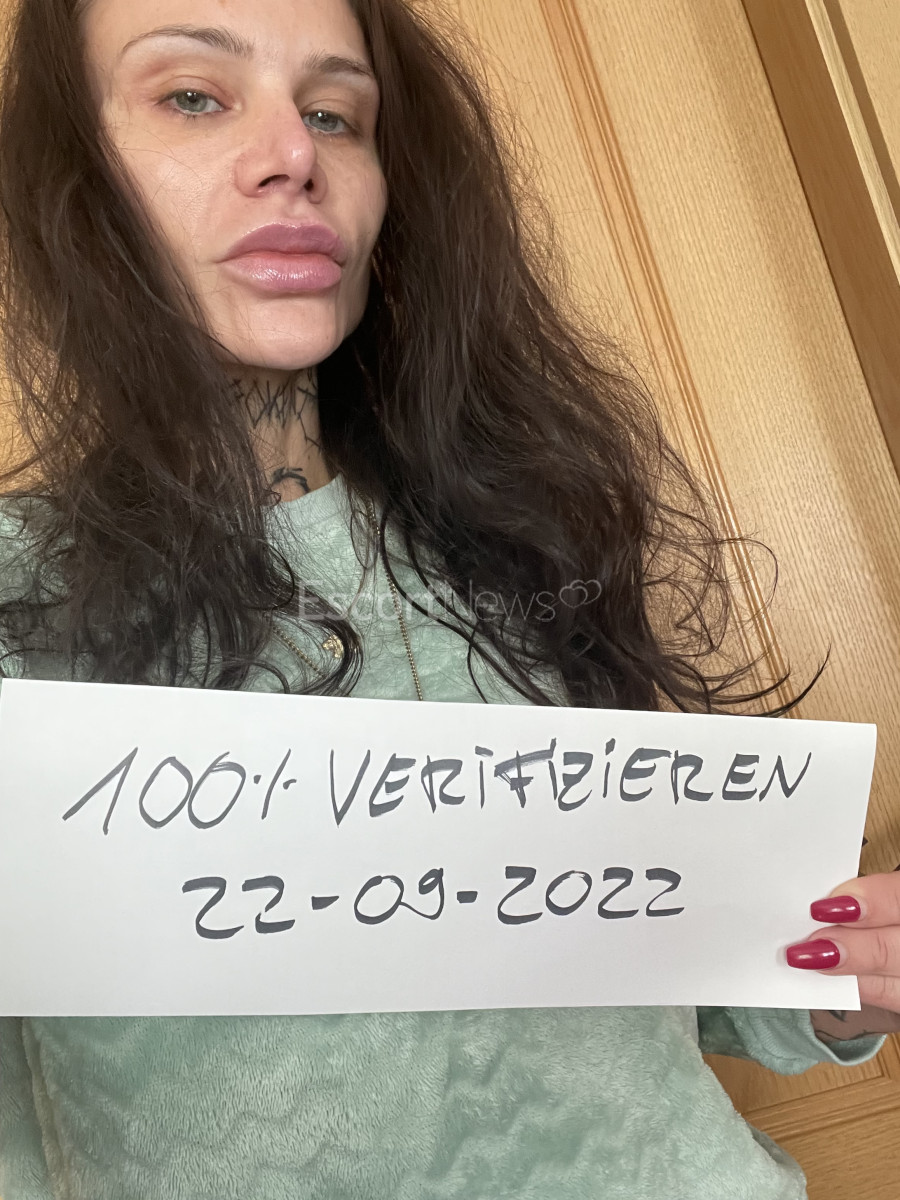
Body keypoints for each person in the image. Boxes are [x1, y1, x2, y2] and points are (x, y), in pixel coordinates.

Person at [0, 0, 897, 1196]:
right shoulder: (16, 606)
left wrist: (840, 979)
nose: (293, 153)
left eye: (336, 114)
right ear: (72, 176)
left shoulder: (524, 534)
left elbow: (664, 976)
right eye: (194, 97)